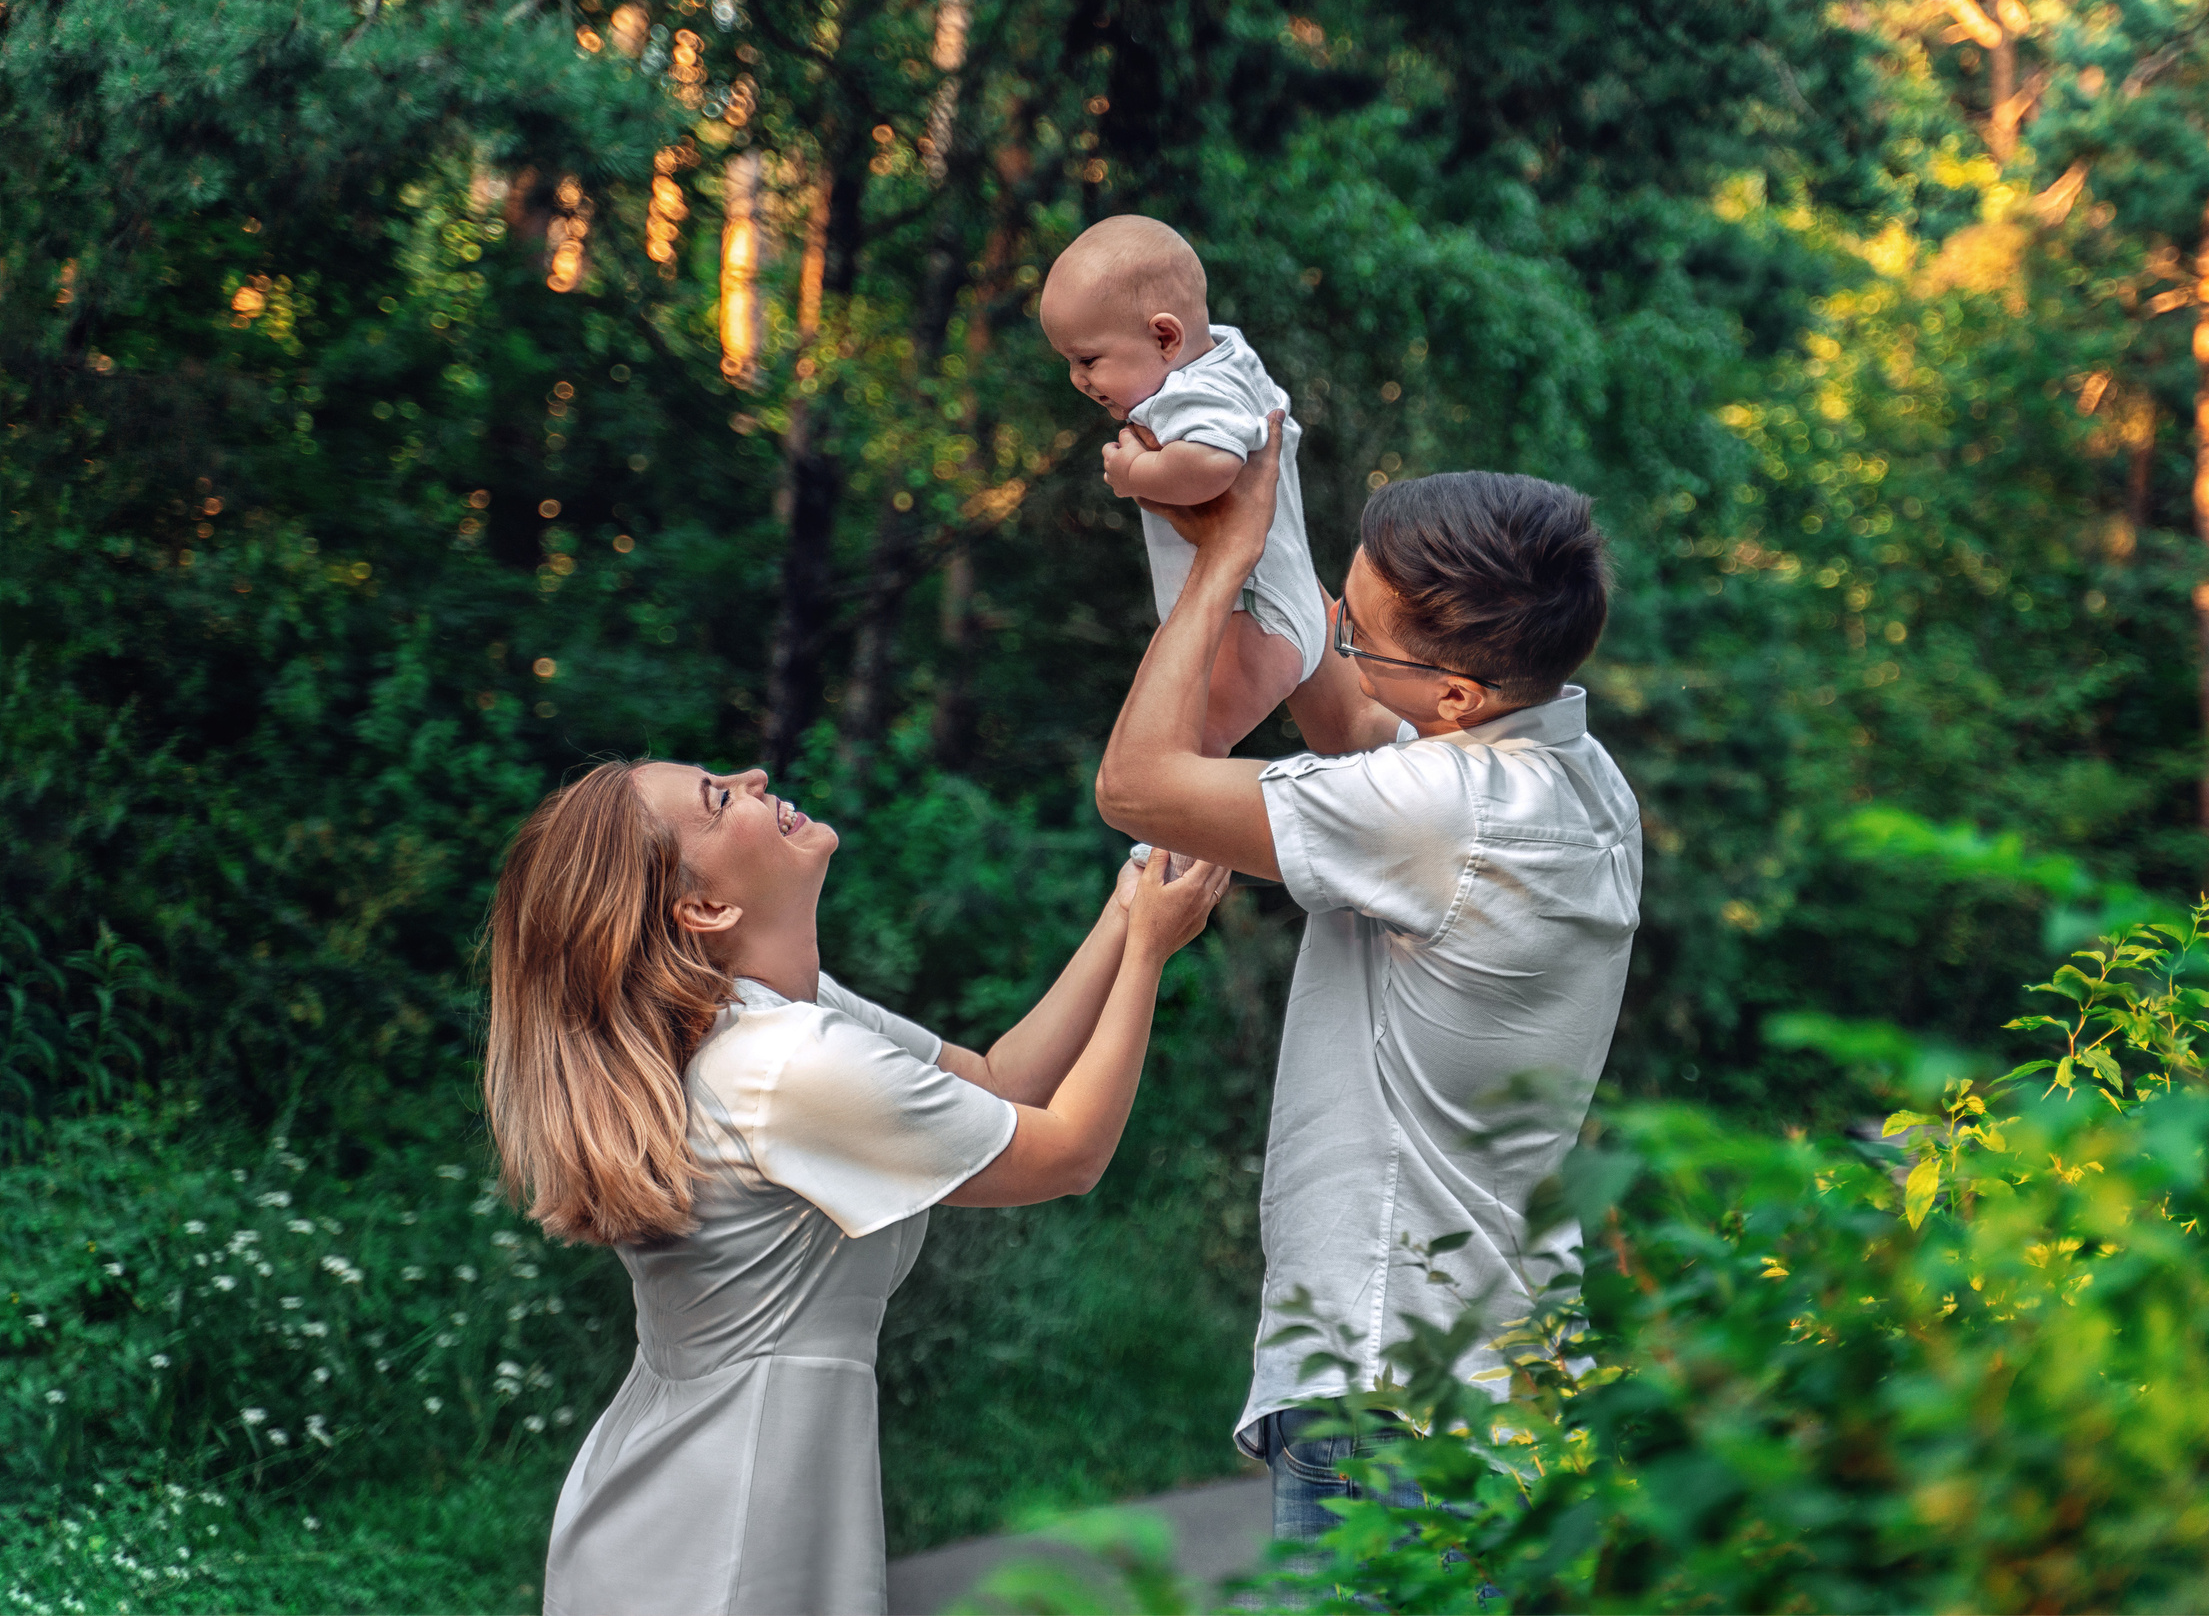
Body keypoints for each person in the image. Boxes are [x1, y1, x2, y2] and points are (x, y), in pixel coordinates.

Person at [481, 760, 1226, 1616]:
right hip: (722, 1530)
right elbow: (1068, 1155)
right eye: (719, 798)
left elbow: (998, 1082)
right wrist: (1149, 953)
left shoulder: (771, 1020)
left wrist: (1127, 912)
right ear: (705, 909)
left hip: (681, 1498)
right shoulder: (786, 1066)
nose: (753, 774)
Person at [1094, 413, 1640, 1541]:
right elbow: (1350, 717)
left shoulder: (1449, 812)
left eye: (1356, 629)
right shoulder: (1574, 776)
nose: (1333, 636)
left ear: (1457, 697)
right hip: (1501, 1380)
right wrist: (1264, 473)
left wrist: (1223, 566)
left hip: (1391, 1394)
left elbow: (1137, 786)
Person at [1040, 214, 1329, 757]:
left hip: (1254, 615)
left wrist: (1133, 474)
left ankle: (1202, 824)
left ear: (1165, 337)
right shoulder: (1227, 357)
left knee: (1178, 753)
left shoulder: (1192, 394)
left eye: (1088, 359)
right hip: (1280, 606)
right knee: (1177, 744)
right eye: (1070, 363)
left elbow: (1213, 463)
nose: (1078, 380)